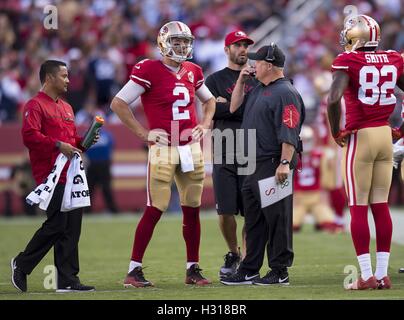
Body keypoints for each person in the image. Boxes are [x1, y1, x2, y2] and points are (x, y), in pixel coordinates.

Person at [110, 21, 216, 287]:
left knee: (192, 208)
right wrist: (144, 134)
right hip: (164, 147)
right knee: (155, 208)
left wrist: (204, 124)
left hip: (190, 146)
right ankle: (133, 270)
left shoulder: (193, 70)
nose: (181, 46)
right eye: (176, 41)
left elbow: (210, 100)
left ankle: (193, 269)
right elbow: (119, 103)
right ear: (163, 43)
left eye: (185, 41)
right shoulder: (148, 68)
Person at [327, 15, 404, 290]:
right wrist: (402, 128)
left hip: (361, 136)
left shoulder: (348, 60)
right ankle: (383, 275)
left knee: (358, 207)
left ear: (353, 37)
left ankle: (366, 276)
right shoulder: (394, 58)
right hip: (385, 135)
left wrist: (336, 131)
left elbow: (333, 98)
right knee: (381, 206)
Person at [221, 43, 305, 286]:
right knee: (254, 220)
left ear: (269, 65)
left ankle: (280, 270)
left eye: (257, 62)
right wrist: (240, 81)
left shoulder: (285, 92)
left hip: (272, 161)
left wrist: (284, 163)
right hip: (254, 163)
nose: (252, 65)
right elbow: (233, 107)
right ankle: (249, 269)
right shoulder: (259, 88)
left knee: (278, 217)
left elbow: (289, 129)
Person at [10, 60, 97, 293]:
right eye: (64, 76)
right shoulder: (34, 105)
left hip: (71, 174)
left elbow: (71, 141)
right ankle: (22, 262)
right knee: (58, 224)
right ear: (49, 78)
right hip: (50, 175)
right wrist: (58, 145)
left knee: (72, 227)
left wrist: (84, 141)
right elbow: (29, 136)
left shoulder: (67, 107)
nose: (69, 80)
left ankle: (67, 280)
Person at [205, 30, 256, 279]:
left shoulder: (258, 77)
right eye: (238, 45)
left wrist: (227, 106)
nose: (243, 49)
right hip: (223, 151)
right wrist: (229, 107)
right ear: (227, 50)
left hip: (252, 149)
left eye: (246, 45)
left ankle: (246, 261)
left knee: (250, 211)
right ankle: (233, 252)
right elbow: (215, 111)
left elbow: (248, 111)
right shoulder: (214, 79)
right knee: (225, 211)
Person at [293, 125, 339, 233]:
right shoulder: (293, 158)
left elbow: (326, 177)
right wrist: (292, 196)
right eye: (303, 140)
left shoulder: (320, 156)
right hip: (299, 197)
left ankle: (319, 223)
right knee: (292, 224)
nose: (305, 143)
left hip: (317, 196)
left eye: (307, 140)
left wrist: (325, 193)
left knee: (328, 222)